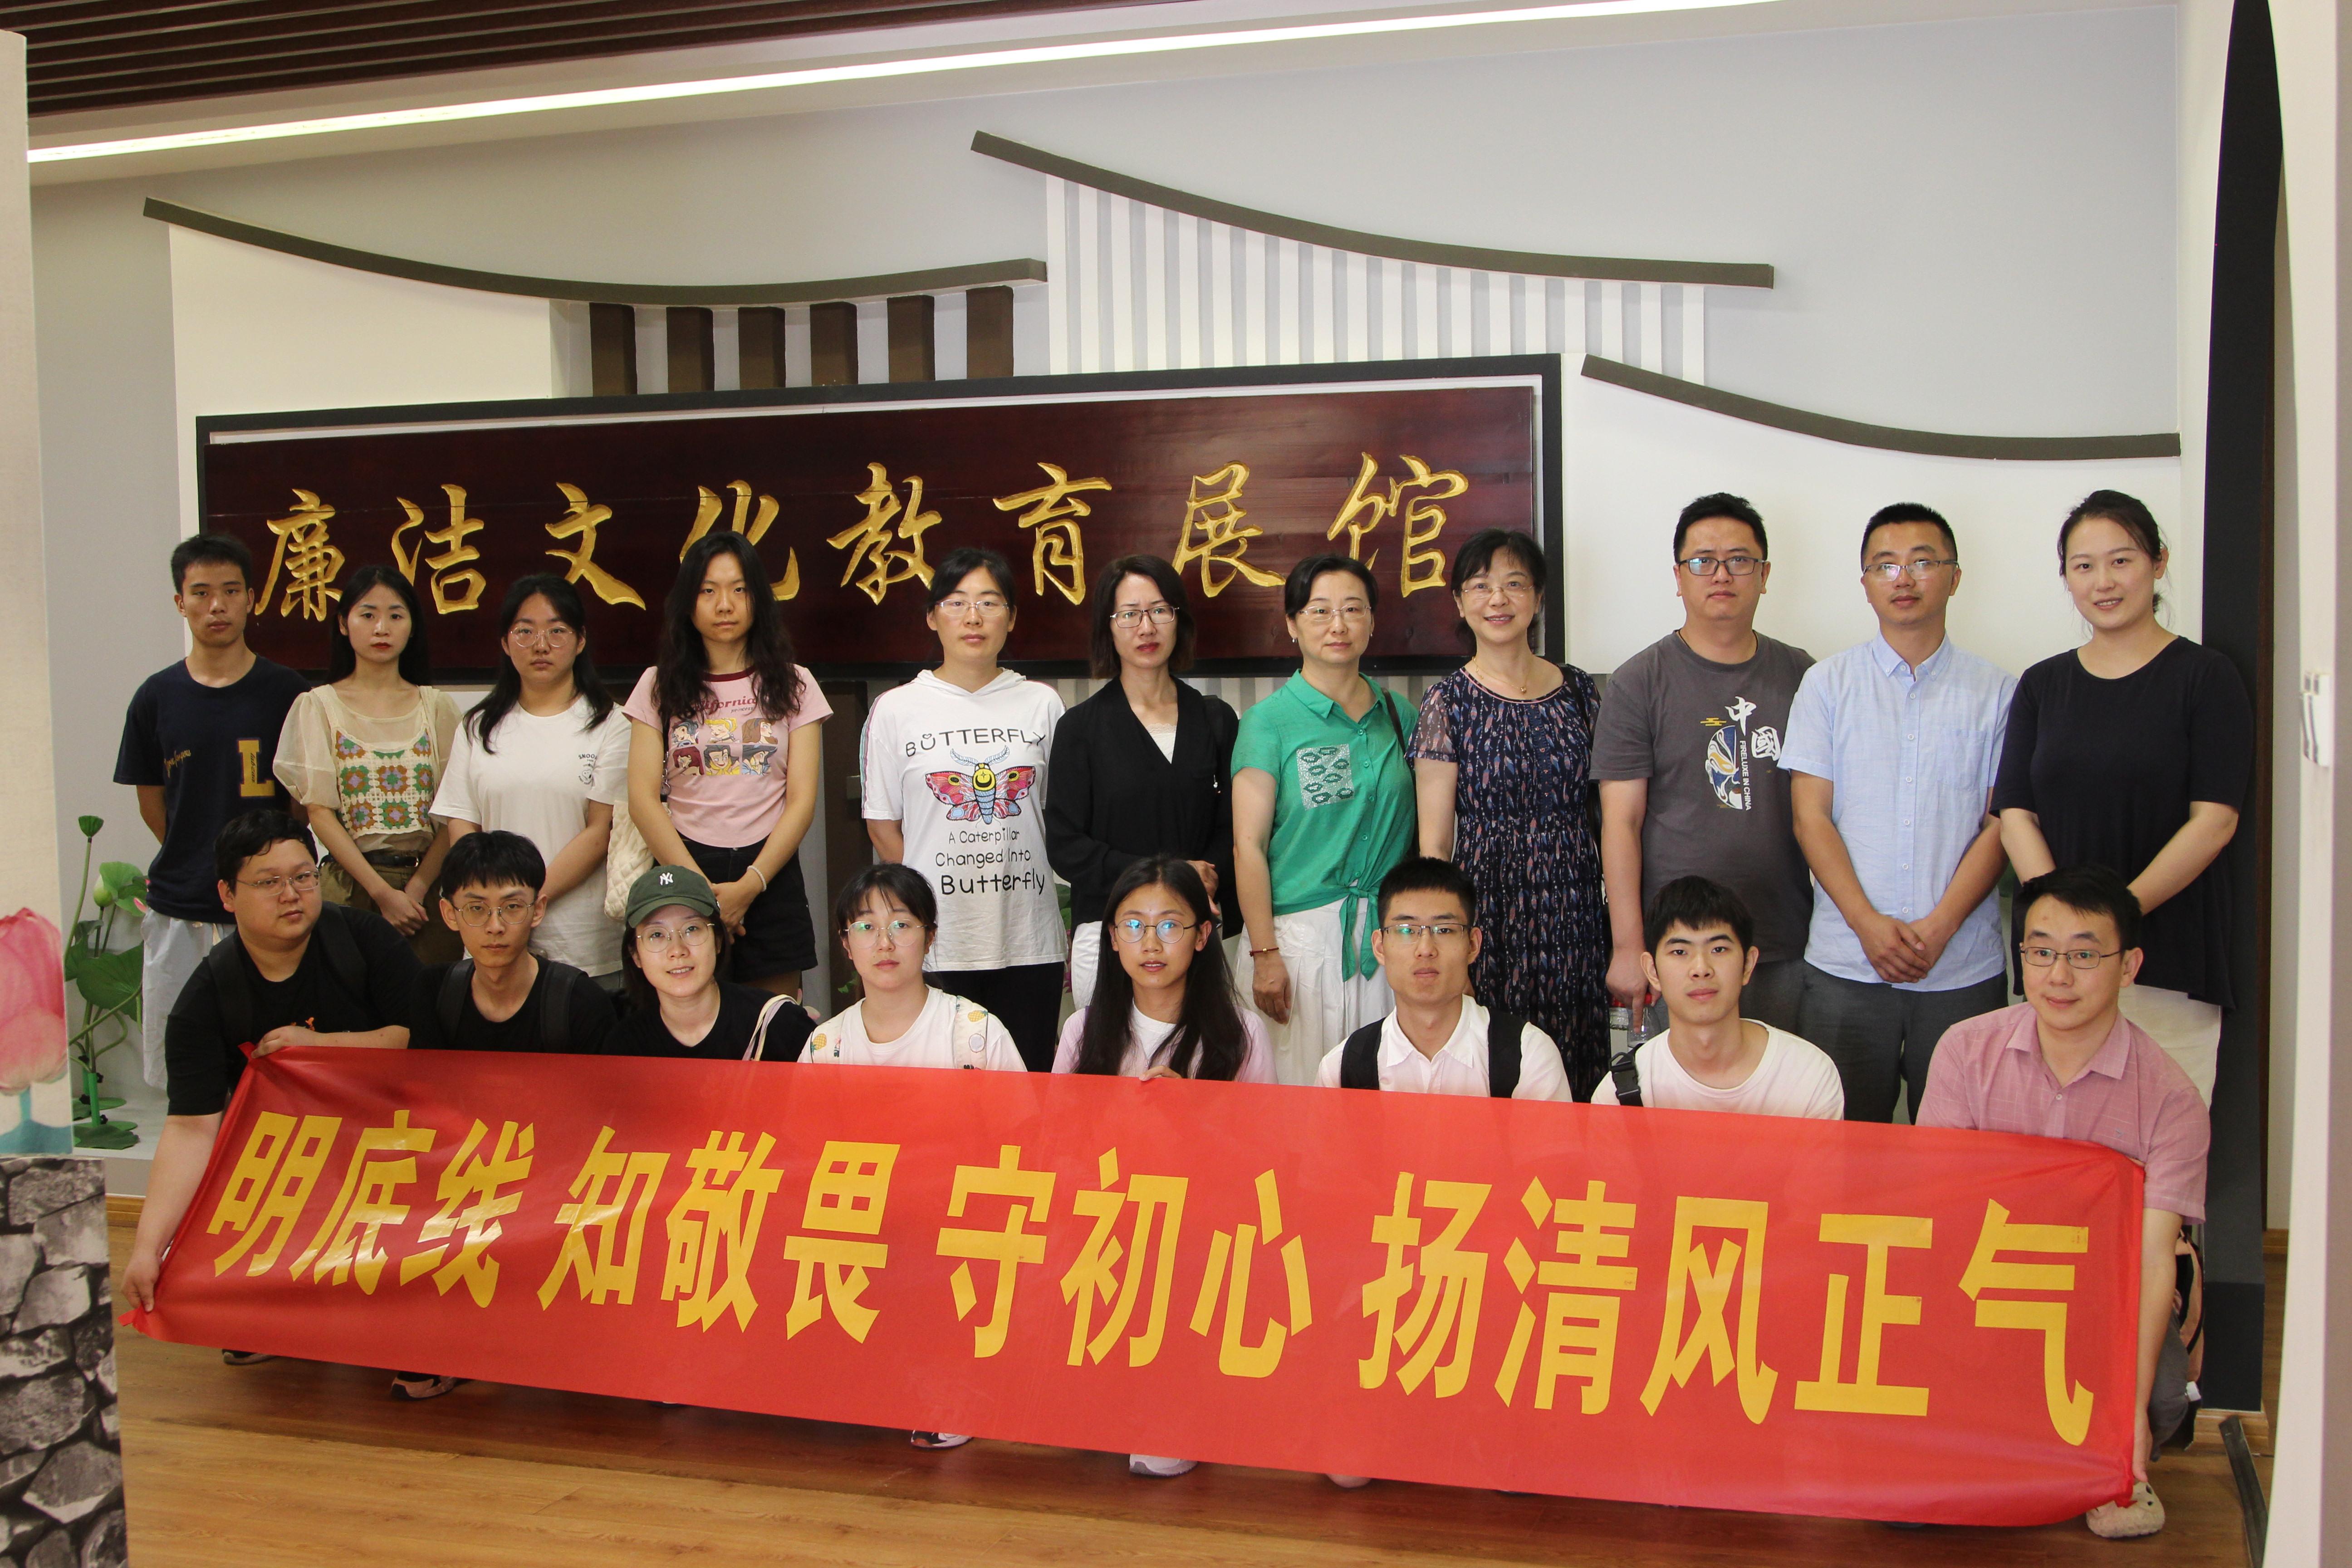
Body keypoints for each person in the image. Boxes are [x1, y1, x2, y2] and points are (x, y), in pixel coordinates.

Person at [1917, 865, 2209, 1540]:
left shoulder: (2171, 1099)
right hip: (1984, 1277)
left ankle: (2105, 1452)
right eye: (2041, 952)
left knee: (2162, 1399)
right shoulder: (1967, 1051)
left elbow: (2154, 1261)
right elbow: (1938, 1210)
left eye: (2084, 956)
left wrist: (2127, 1420)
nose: (2059, 976)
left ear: (2128, 966)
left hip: (2102, 1296)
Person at [119, 814, 419, 1376]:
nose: (291, 894)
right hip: (295, 1155)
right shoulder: (206, 998)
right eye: (269, 882)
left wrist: (321, 1047)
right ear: (227, 896)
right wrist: (146, 1248)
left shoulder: (364, 941)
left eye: (303, 877)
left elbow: (423, 1044)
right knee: (235, 1163)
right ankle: (269, 1306)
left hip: (395, 1138)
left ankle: (419, 1334)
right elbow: (191, 1128)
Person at [1994, 491, 2253, 1104]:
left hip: (2168, 962)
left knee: (2162, 1140)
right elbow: (2016, 815)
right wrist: (2064, 928)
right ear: (2067, 577)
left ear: (2158, 563)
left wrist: (2112, 921)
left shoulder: (2206, 677)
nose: (2103, 582)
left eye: (2122, 561)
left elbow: (2214, 822)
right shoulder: (2042, 685)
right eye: (2084, 566)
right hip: (2057, 968)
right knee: (2055, 1141)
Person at [1779, 505, 2015, 1121]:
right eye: (1885, 565)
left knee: (1962, 1152)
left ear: (1954, 577)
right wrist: (1866, 924)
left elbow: (2002, 825)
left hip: (1963, 968)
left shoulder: (1998, 692)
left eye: (1922, 562)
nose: (1903, 578)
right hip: (1846, 965)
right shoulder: (1827, 685)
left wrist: (1939, 928)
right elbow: (1810, 818)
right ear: (1865, 583)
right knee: (1844, 1149)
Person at [802, 862, 1024, 1454]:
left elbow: (1023, 1149)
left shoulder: (974, 1033)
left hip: (956, 1222)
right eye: (865, 927)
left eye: (901, 924)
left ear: (930, 936)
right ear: (845, 944)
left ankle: (953, 1387)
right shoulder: (825, 1047)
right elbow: (803, 1156)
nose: (884, 942)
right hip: (861, 1220)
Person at [1594, 493, 1814, 1035]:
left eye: (1739, 560)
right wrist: (1628, 946)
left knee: (1779, 1082)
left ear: (1764, 575)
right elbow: (1621, 822)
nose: (1721, 574)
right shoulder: (1638, 682)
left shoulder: (1804, 676)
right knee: (1678, 1086)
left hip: (1783, 938)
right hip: (1676, 946)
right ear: (1678, 576)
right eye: (1702, 561)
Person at [1411, 528, 1610, 1096]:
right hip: (1488, 917)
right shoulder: (1447, 701)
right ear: (1460, 602)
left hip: (1574, 913)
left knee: (1576, 1069)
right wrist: (1448, 945)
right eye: (1480, 586)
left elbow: (1606, 816)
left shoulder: (1579, 692)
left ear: (1538, 597)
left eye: (1514, 584)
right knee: (1497, 1069)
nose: (1497, 599)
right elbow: (1435, 846)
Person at [115, 533, 309, 1088]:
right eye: (201, 593)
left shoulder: (290, 692)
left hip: (272, 908)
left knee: (279, 1070)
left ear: (252, 598)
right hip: (183, 903)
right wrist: (199, 854)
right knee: (187, 1069)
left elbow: (301, 805)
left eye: (230, 591)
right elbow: (153, 801)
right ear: (181, 603)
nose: (217, 606)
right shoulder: (156, 696)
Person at [860, 548, 1065, 1069]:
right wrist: (924, 902)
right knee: (940, 1092)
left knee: (1026, 1086)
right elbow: (882, 824)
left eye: (989, 603)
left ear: (1011, 618)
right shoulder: (896, 709)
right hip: (937, 940)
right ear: (932, 617)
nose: (973, 617)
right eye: (957, 603)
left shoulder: (1042, 704)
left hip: (1028, 939)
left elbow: (1058, 819)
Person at [1235, 555, 1418, 1085]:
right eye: (1319, 611)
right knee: (1297, 1096)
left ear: (1372, 621)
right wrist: (1265, 953)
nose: (1338, 624)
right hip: (1298, 944)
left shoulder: (1401, 716)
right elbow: (1248, 846)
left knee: (1381, 1092)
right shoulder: (1268, 722)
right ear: (1293, 624)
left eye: (1353, 609)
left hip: (1386, 940)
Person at [623, 532, 829, 997]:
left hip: (769, 873)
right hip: (684, 866)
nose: (725, 605)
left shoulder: (796, 684)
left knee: (775, 1021)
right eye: (708, 591)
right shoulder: (657, 686)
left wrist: (751, 886)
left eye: (739, 589)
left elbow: (801, 801)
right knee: (687, 1019)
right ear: (688, 602)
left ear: (759, 599)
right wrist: (700, 892)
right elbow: (642, 800)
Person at [1045, 555, 1237, 1009]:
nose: (1146, 628)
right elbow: (1066, 845)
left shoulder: (1214, 719)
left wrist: (1202, 879)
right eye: (1129, 614)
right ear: (1108, 628)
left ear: (1178, 619)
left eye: (1159, 611)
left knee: (1201, 1051)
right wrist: (1166, 879)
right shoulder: (1081, 728)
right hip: (1112, 931)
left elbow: (1234, 825)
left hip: (1195, 931)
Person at [431, 575, 632, 990]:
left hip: (581, 939)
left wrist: (523, 902)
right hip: (492, 933)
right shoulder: (479, 726)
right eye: (525, 632)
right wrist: (497, 906)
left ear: (580, 640)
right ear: (506, 643)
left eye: (557, 631)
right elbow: (463, 824)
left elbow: (600, 832)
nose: (541, 645)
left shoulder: (612, 723)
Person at [273, 564, 463, 966]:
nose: (382, 628)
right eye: (368, 615)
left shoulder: (437, 707)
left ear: (412, 627)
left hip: (427, 892)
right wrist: (381, 894)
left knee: (429, 999)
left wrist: (416, 890)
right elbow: (319, 813)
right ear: (344, 624)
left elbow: (454, 812)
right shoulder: (318, 706)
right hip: (350, 887)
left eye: (396, 616)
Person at [1314, 856, 1570, 1100]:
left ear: (1473, 945)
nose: (1426, 949)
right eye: (1406, 930)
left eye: (1445, 930)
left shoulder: (1528, 1056)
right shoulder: (1342, 1068)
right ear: (1380, 947)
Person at [1591, 875, 1844, 1117]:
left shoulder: (1809, 1075)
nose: (1701, 969)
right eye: (1680, 952)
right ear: (1652, 971)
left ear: (1748, 965)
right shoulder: (1617, 1093)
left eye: (1719, 949)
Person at [1054, 853, 1275, 1083]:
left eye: (1169, 925)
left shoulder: (1244, 1033)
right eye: (1133, 925)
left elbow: (1264, 1109)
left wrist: (1188, 1102)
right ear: (1114, 937)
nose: (1151, 945)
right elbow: (1057, 1108)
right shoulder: (1082, 1030)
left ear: (1202, 935)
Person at [408, 829, 616, 1056]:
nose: (495, 926)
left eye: (512, 907)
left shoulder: (581, 1002)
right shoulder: (435, 991)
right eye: (476, 908)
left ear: (538, 910)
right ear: (450, 914)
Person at [603, 865, 813, 1061]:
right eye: (656, 935)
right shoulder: (625, 1047)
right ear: (636, 955)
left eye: (692, 929)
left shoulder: (779, 1024)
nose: (677, 950)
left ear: (718, 941)